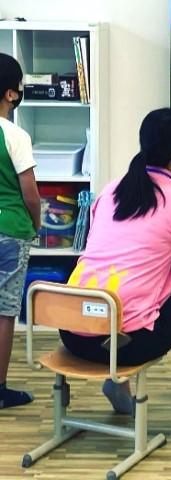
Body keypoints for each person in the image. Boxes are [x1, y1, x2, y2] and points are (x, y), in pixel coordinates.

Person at [60, 108, 171, 429]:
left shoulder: (110, 191)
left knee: (120, 287)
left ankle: (118, 386)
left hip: (72, 332)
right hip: (122, 346)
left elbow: (113, 253)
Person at [0, 53, 41, 410]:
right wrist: (36, 224)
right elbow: (30, 193)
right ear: (11, 93)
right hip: (10, 228)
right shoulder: (15, 134)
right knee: (4, 311)